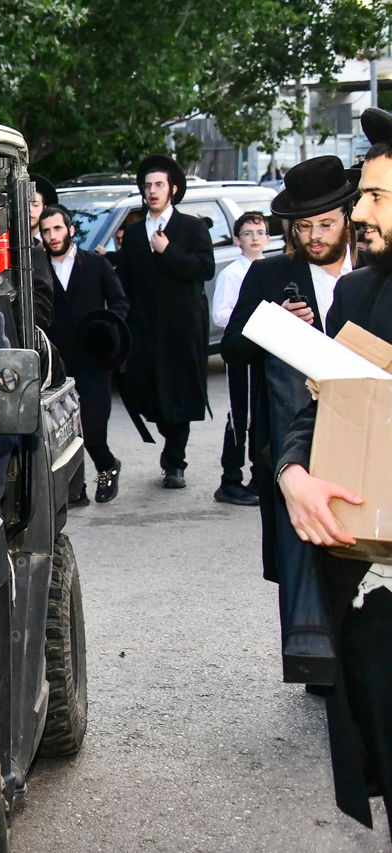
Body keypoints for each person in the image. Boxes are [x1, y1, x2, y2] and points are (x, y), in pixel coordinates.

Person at [276, 108, 392, 839]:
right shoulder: (360, 297)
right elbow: (311, 421)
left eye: (377, 196)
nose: (359, 211)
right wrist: (295, 475)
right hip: (371, 591)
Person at [223, 157, 359, 685]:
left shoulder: (372, 270)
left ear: (347, 217)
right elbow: (232, 348)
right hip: (292, 439)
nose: (314, 236)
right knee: (304, 546)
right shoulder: (271, 273)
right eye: (303, 227)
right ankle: (317, 659)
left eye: (325, 224)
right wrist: (270, 325)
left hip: (360, 431)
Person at [113, 154, 215, 488]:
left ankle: (175, 462)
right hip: (144, 328)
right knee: (147, 393)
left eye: (158, 184)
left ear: (172, 188)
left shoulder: (192, 227)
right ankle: (170, 440)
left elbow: (204, 268)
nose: (152, 191)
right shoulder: (132, 232)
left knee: (179, 393)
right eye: (147, 185)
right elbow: (124, 281)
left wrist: (169, 251)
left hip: (182, 327)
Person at [39, 205, 129, 505]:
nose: (53, 236)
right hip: (57, 363)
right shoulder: (38, 269)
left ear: (71, 230)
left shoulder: (96, 265)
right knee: (62, 431)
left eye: (58, 229)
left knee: (92, 427)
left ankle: (106, 466)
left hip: (94, 360)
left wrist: (107, 330)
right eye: (47, 230)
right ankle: (76, 489)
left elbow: (119, 302)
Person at [209, 211, 270, 507]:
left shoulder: (272, 268)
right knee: (240, 413)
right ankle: (230, 478)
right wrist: (255, 319)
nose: (255, 238)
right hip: (242, 350)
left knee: (261, 413)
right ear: (237, 240)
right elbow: (220, 315)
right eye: (248, 233)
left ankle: (259, 477)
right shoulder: (232, 273)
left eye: (260, 233)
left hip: (266, 351)